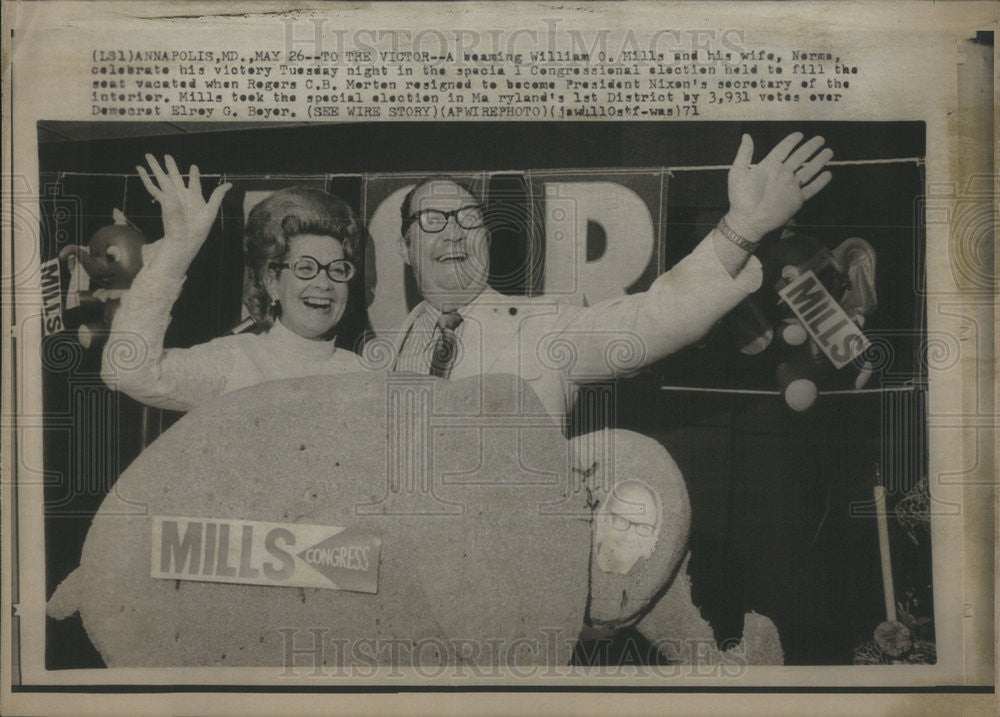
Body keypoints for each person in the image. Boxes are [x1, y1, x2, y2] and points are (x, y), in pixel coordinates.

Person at [386, 132, 835, 426]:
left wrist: (744, 228)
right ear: (405, 247)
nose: (453, 230)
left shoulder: (542, 327)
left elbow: (655, 318)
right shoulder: (394, 347)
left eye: (468, 217)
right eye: (431, 219)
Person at [101, 155, 367, 411]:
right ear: (271, 281)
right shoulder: (237, 361)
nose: (324, 283)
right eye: (305, 268)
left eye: (338, 269)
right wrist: (175, 253)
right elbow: (127, 372)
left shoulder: (364, 373)